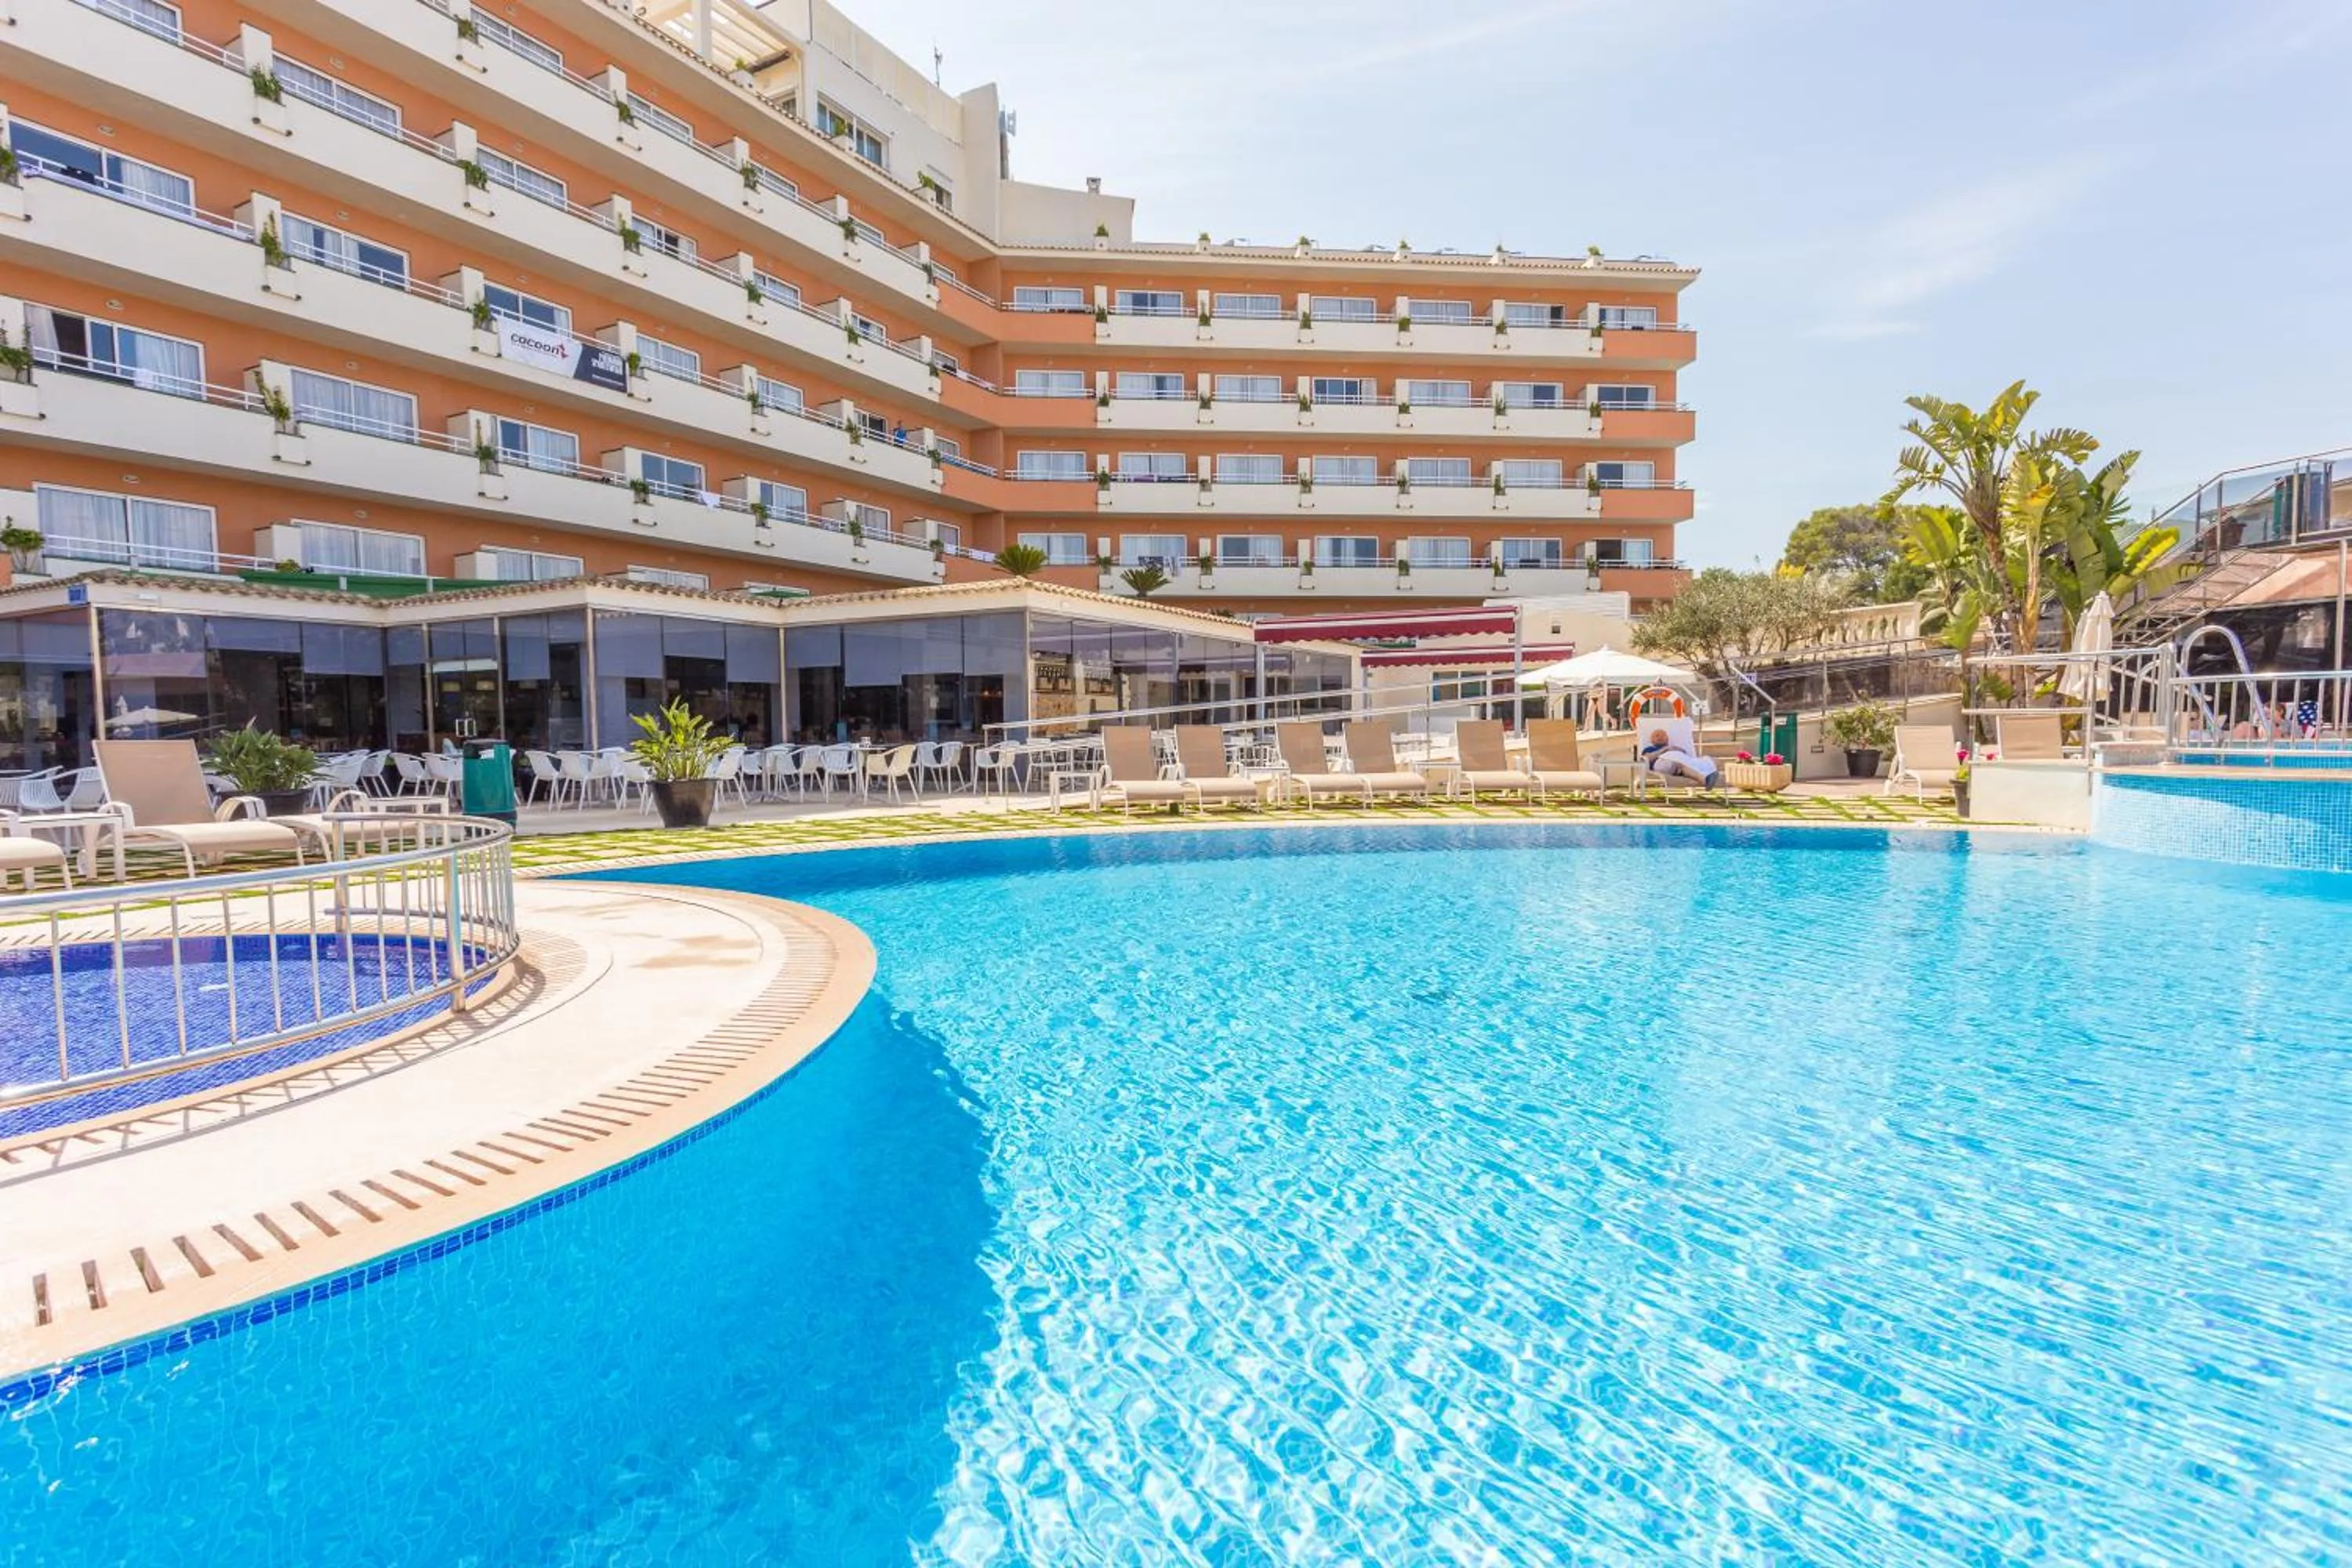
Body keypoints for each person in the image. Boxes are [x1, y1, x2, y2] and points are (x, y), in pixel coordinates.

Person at [1640, 724, 1722, 788]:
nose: (1660, 737)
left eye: (1663, 735)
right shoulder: (1649, 749)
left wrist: (1678, 750)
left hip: (1681, 764)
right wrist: (1664, 750)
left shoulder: (1676, 747)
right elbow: (1647, 758)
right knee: (1679, 765)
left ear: (1667, 739)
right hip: (1661, 762)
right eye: (1657, 735)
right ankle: (1705, 780)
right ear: (1652, 740)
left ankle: (1707, 775)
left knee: (1714, 760)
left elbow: (1687, 759)